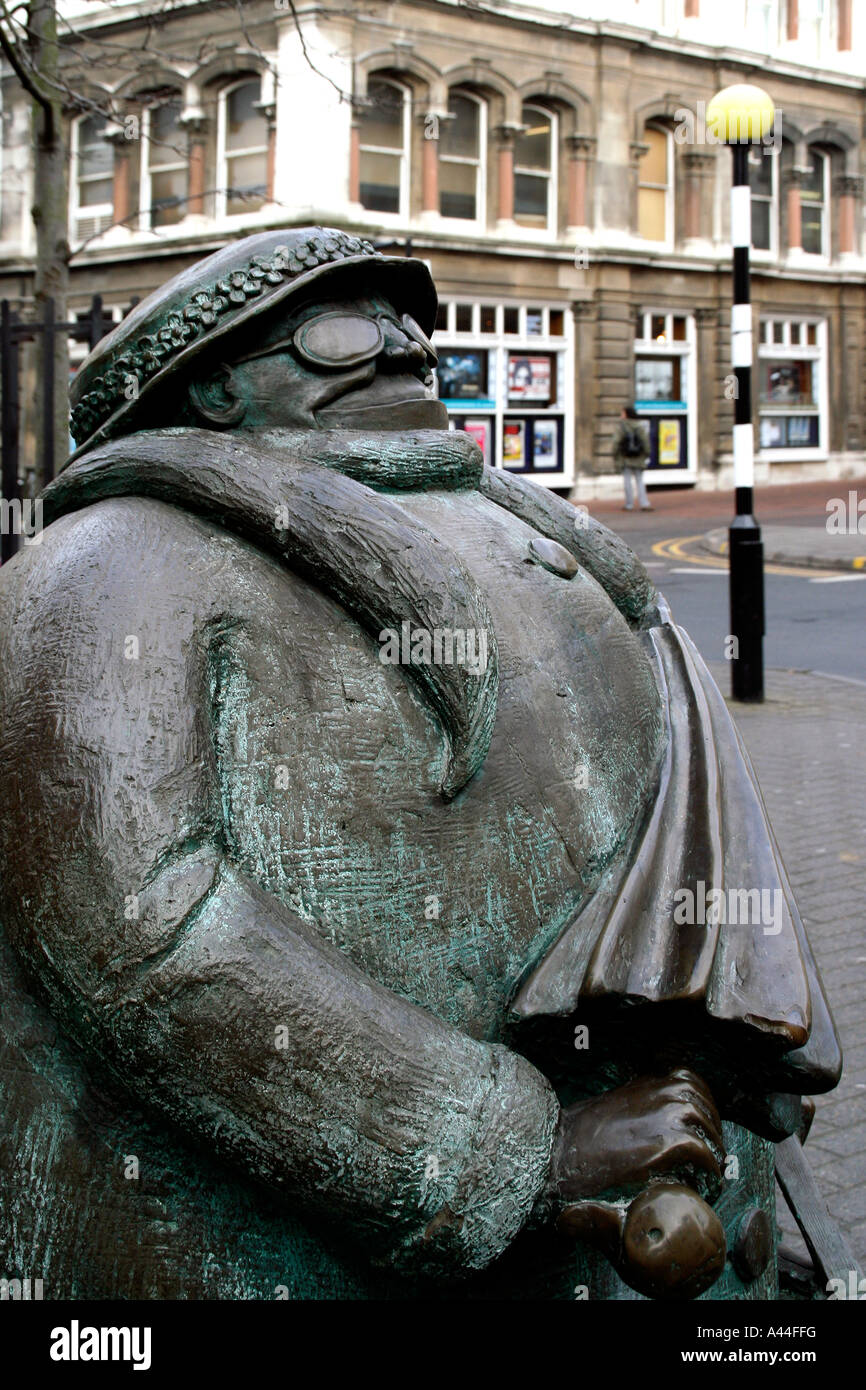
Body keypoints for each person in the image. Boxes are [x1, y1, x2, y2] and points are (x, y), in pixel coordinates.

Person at [0, 228, 839, 1300]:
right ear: (214, 390)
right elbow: (140, 929)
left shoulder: (549, 537)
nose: (401, 350)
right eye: (338, 335)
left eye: (406, 328)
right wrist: (505, 1153)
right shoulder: (108, 565)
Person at [614, 405, 652, 510]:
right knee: (639, 480)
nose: (621, 415)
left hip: (625, 457)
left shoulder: (622, 427)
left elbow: (616, 442)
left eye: (622, 413)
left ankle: (629, 504)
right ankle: (644, 503)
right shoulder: (639, 426)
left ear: (626, 414)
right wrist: (647, 453)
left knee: (627, 481)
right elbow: (645, 441)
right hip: (638, 457)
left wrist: (615, 455)